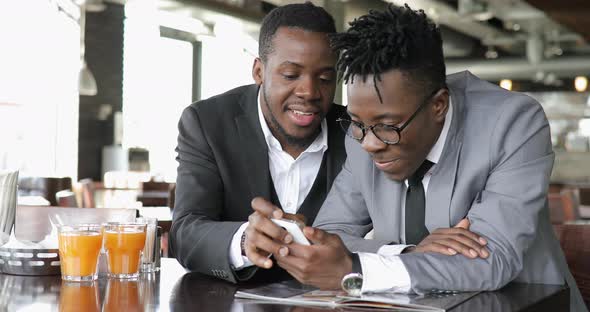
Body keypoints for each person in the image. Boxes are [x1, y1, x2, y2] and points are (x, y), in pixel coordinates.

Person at [250, 3, 586, 311]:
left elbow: (492, 260)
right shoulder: (364, 130)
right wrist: (406, 253)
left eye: (387, 127)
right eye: (357, 124)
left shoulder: (514, 123)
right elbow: (330, 234)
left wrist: (353, 267)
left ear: (438, 105)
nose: (369, 144)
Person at [169, 2, 347, 283]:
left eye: (325, 78)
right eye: (290, 75)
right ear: (259, 72)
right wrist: (242, 241)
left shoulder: (358, 132)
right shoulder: (207, 123)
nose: (309, 92)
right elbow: (185, 233)